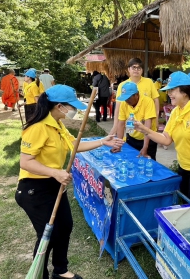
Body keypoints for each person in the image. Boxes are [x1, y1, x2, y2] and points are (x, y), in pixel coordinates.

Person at [16, 84, 124, 279]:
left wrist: (102, 141)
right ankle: (39, 275)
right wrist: (55, 172)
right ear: (59, 106)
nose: (73, 110)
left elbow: (73, 145)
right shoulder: (38, 128)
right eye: (71, 106)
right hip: (34, 189)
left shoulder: (58, 124)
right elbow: (25, 162)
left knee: (65, 226)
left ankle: (61, 270)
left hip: (54, 185)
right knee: (47, 236)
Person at [134, 72, 190, 203]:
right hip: (184, 165)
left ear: (184, 91)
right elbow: (166, 139)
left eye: (172, 90)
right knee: (184, 201)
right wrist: (145, 130)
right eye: (168, 90)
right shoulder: (176, 111)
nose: (168, 93)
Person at [109, 58, 159, 135]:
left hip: (148, 127)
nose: (136, 70)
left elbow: (156, 100)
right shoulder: (122, 85)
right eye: (134, 67)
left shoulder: (149, 82)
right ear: (129, 69)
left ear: (142, 70)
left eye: (139, 68)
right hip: (131, 128)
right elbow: (118, 107)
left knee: (148, 144)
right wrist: (115, 126)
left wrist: (156, 119)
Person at [113, 82, 158, 159]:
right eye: (125, 98)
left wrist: (145, 147)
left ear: (136, 95)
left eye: (128, 98)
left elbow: (148, 126)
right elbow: (121, 124)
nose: (126, 101)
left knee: (147, 164)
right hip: (132, 138)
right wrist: (119, 144)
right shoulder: (124, 104)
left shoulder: (148, 102)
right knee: (130, 161)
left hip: (148, 140)